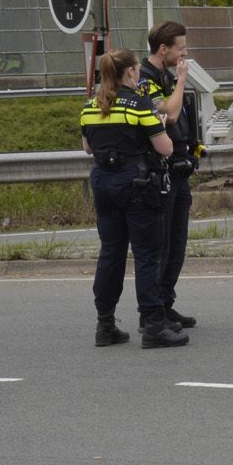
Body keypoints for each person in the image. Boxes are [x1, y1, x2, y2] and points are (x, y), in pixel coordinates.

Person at [79, 50, 187, 349]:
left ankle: (105, 324)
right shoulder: (139, 104)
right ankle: (153, 324)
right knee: (146, 254)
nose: (138, 73)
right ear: (129, 73)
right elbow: (165, 148)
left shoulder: (90, 106)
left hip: (102, 183)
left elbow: (87, 147)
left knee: (111, 253)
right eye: (137, 69)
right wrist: (160, 124)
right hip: (137, 182)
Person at [137, 20, 202, 332]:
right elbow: (169, 113)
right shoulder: (146, 79)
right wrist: (181, 81)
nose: (184, 55)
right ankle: (153, 311)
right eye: (180, 49)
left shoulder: (164, 73)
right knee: (161, 244)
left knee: (178, 243)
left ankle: (166, 302)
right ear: (163, 49)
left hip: (179, 167)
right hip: (160, 173)